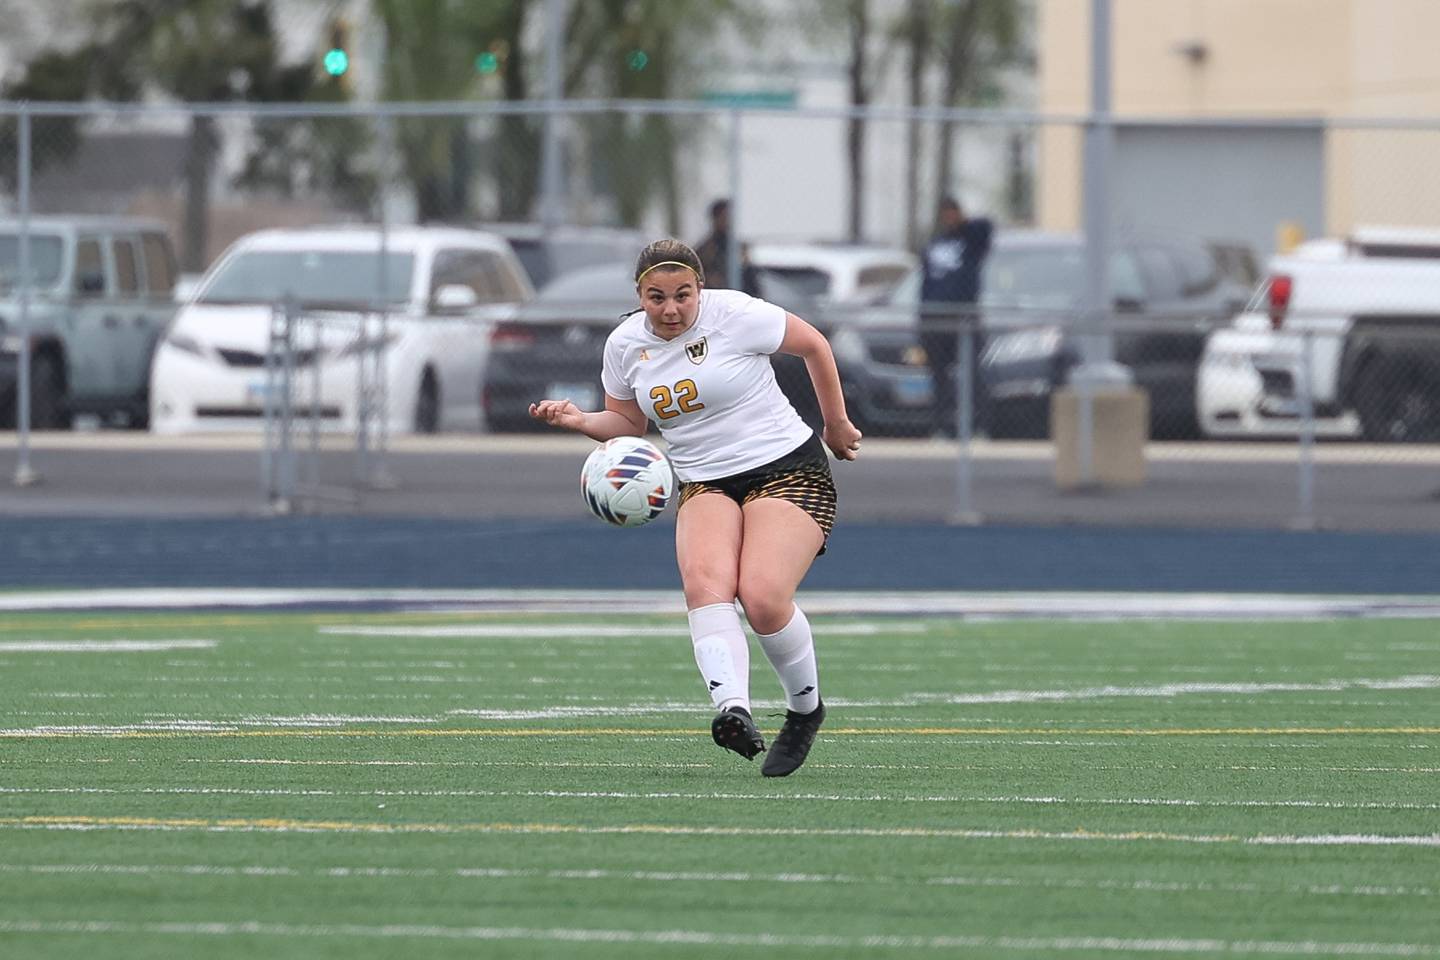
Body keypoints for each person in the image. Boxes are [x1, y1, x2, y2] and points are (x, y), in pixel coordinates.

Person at [530, 238, 862, 777]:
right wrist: (578, 420)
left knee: (761, 597)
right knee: (705, 585)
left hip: (787, 467)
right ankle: (733, 709)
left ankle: (805, 711)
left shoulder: (736, 315)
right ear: (639, 295)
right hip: (704, 479)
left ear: (699, 289)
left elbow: (814, 345)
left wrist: (836, 423)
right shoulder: (623, 345)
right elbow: (628, 426)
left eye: (683, 295)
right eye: (656, 297)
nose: (671, 309)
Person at [920, 196, 993, 437]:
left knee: (972, 375)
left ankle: (978, 427)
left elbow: (986, 227)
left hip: (964, 320)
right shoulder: (935, 244)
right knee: (939, 377)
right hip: (936, 322)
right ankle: (940, 427)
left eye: (953, 213)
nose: (949, 218)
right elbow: (926, 283)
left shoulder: (971, 239)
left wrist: (964, 222)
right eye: (945, 213)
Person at [695, 198, 760, 294]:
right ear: (715, 218)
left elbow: (750, 278)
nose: (728, 220)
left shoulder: (739, 247)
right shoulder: (707, 250)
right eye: (724, 216)